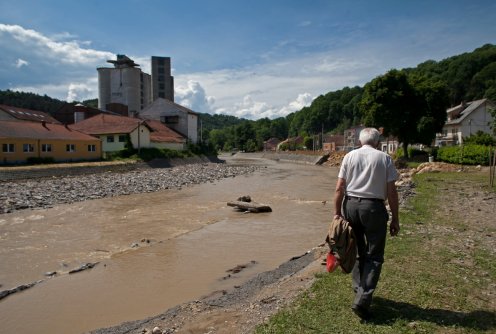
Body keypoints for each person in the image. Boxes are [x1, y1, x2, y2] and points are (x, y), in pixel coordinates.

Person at [333, 127, 400, 320]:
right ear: (378, 142)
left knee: (356, 250)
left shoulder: (349, 157)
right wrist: (395, 218)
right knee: (374, 256)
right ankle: (362, 299)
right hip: (373, 208)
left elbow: (339, 188)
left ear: (359, 142)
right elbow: (392, 192)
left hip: (351, 205)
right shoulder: (384, 158)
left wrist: (337, 214)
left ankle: (359, 290)